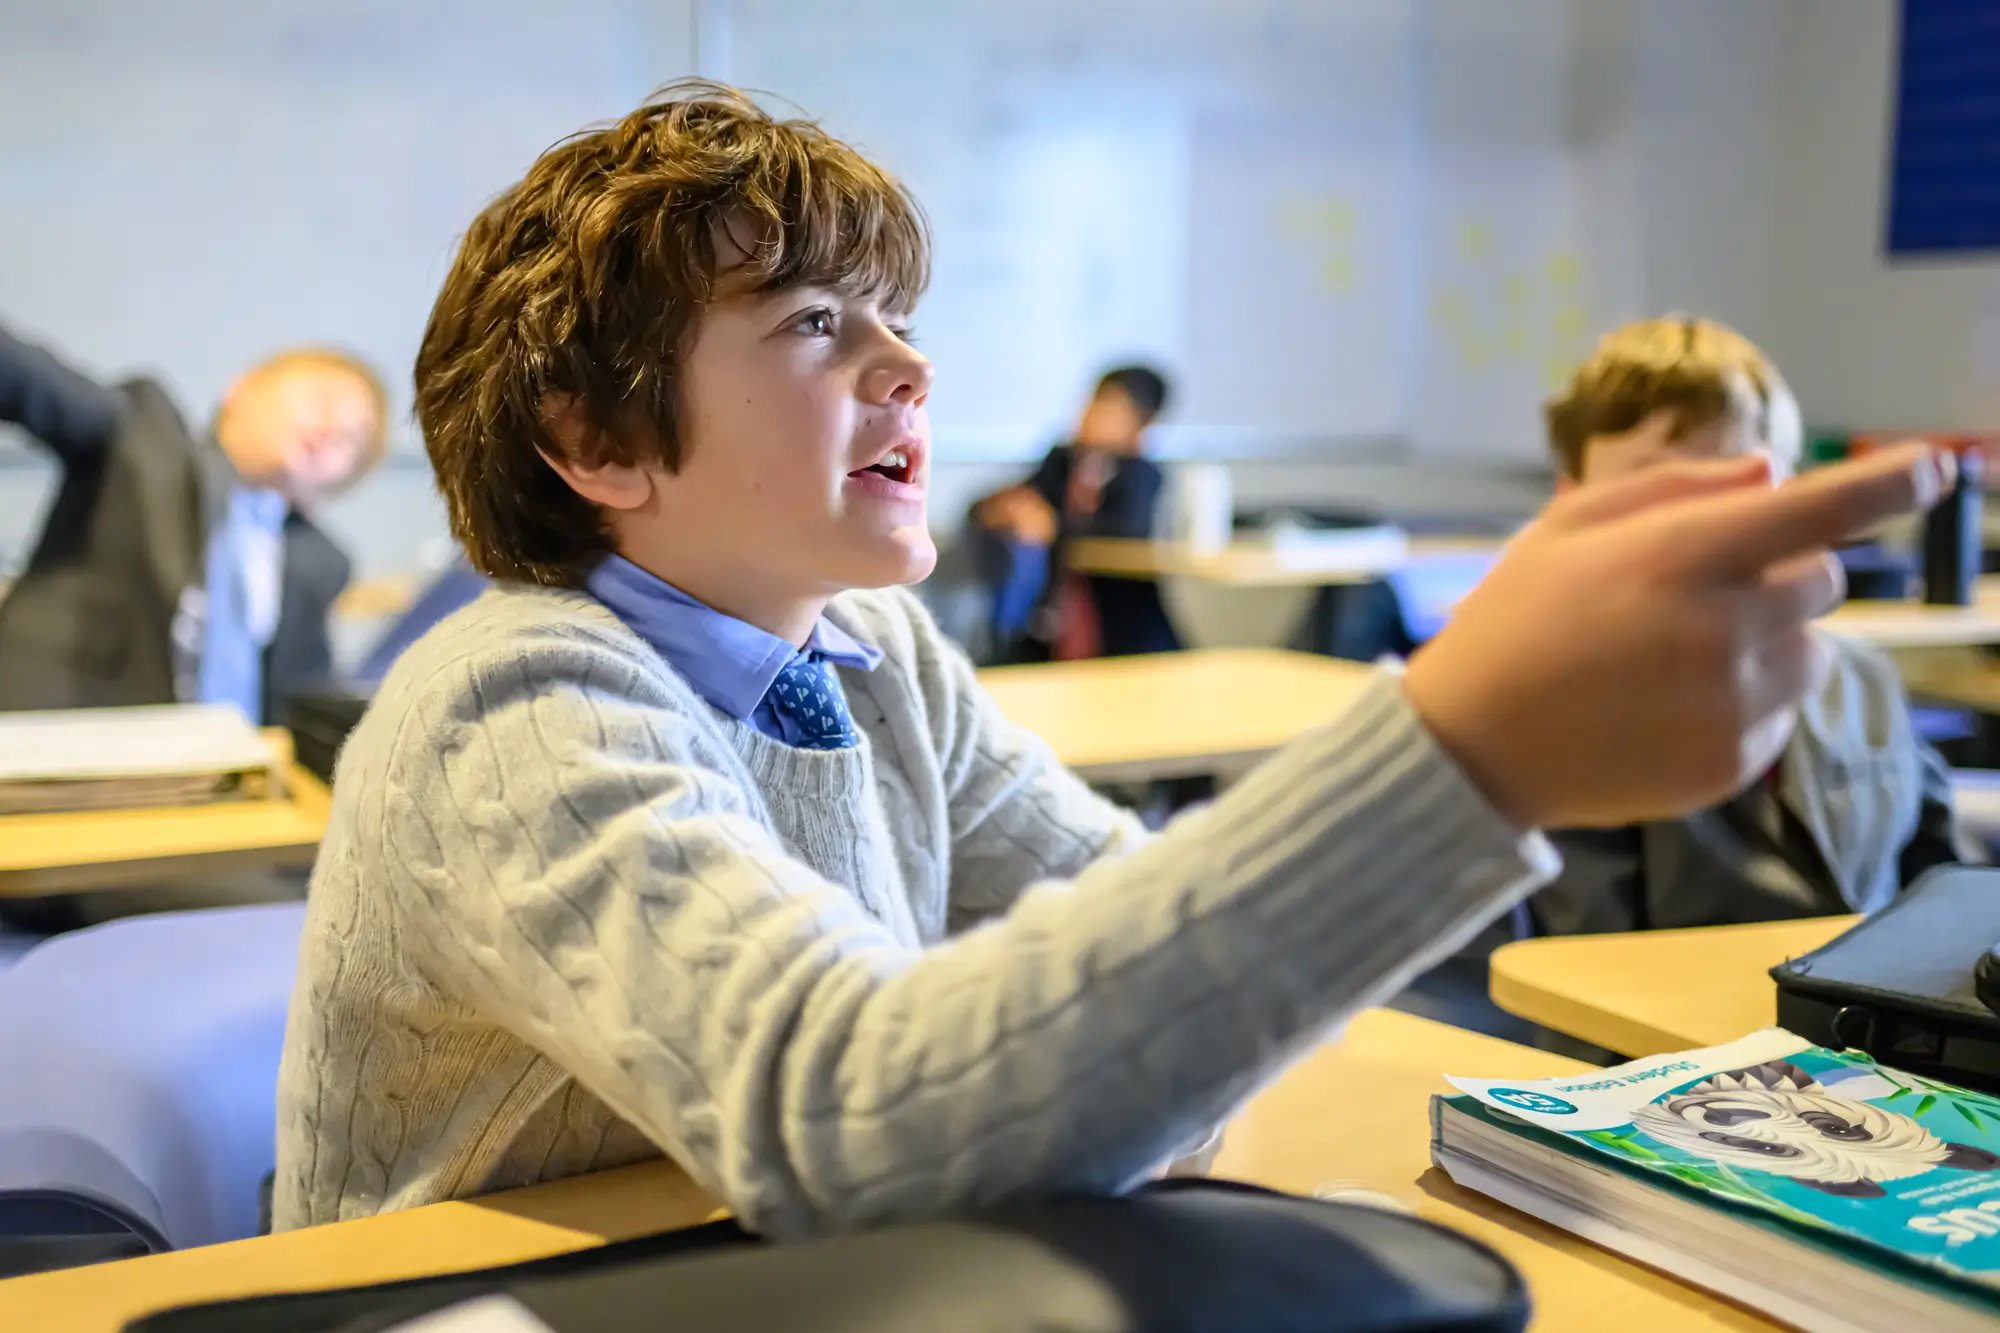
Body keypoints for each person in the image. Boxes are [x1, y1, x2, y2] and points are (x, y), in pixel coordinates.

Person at [274, 82, 1948, 1238]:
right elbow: (858, 1120)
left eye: (896, 313)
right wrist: (1466, 752)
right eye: (814, 323)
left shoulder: (877, 652)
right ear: (593, 437)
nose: (909, 363)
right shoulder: (516, 700)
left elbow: (1127, 911)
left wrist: (1106, 1064)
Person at [1531, 316, 1964, 935]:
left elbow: (1943, 889)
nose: (1703, 520)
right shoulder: (1562, 714)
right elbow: (1574, 985)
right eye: (1656, 484)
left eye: (1738, 481)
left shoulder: (1860, 678)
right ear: (1570, 500)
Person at [0, 322, 388, 723]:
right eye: (322, 402)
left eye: (351, 439)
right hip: (56, 735)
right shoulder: (142, 438)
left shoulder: (320, 565)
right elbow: (24, 376)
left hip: (226, 776)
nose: (330, 431)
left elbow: (305, 709)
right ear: (243, 389)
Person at [970, 365, 1179, 659]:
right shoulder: (1062, 460)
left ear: (1141, 425)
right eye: (1095, 401)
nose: (1094, 414)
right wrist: (1004, 510)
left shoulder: (1141, 473)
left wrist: (1051, 527)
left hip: (1120, 626)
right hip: (1050, 622)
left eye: (1113, 408)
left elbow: (1125, 529)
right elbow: (997, 501)